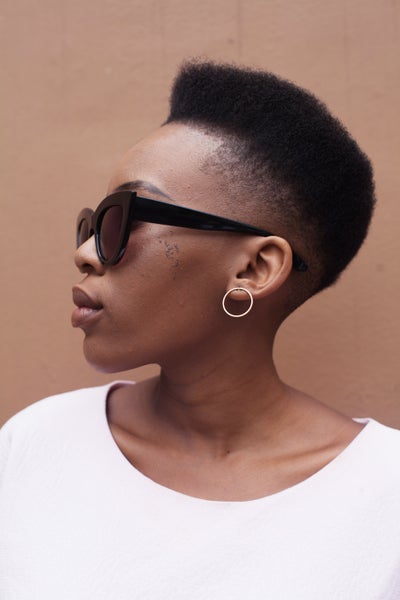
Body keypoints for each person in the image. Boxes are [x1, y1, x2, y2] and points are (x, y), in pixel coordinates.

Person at [1, 60, 399, 599]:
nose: (86, 253)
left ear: (254, 269)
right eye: (93, 224)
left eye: (123, 219)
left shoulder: (386, 494)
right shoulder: (38, 443)